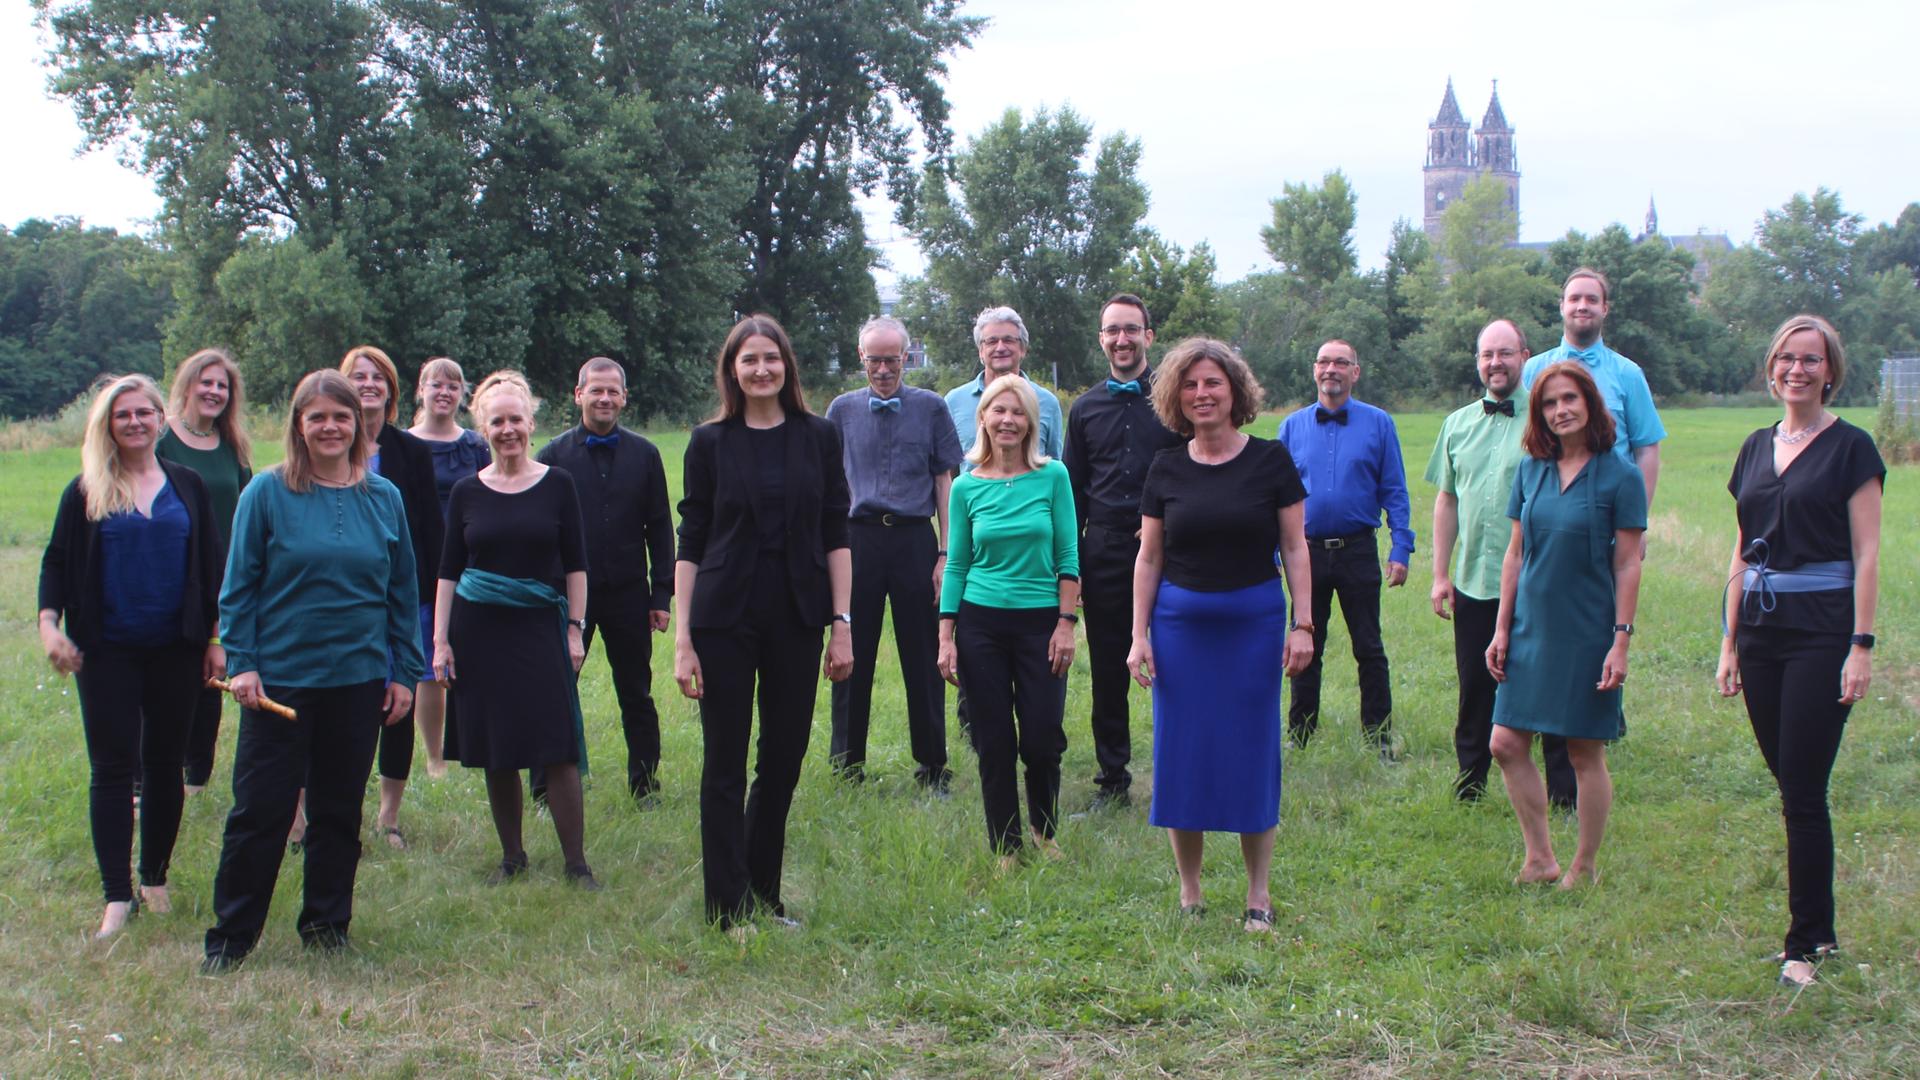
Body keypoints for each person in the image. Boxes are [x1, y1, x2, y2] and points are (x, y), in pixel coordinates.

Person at [203, 370, 424, 971]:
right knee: (260, 812)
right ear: (299, 426)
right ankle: (231, 937)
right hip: (281, 683)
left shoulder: (385, 498)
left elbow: (403, 594)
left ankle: (327, 926)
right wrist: (244, 664)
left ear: (358, 425)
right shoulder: (267, 494)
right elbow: (238, 586)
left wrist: (405, 672)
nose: (330, 427)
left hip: (358, 682)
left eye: (341, 416)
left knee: (337, 811)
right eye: (317, 417)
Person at [1714, 315, 1883, 989]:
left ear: (1830, 370)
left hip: (1822, 630)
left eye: (1810, 360)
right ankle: (1820, 932)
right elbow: (1740, 544)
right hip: (1759, 631)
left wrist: (1861, 646)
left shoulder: (1852, 450)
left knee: (1804, 788)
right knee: (1791, 784)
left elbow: (1869, 552)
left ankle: (1806, 944)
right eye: (1786, 358)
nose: (1797, 370)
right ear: (1771, 367)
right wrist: (1728, 642)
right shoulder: (1755, 447)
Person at [1124, 340, 1313, 933]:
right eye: (1190, 385)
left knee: (1253, 753)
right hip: (1179, 630)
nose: (1202, 394)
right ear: (1176, 396)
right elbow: (1149, 558)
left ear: (1236, 391)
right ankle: (1190, 890)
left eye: (1213, 383)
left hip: (1252, 626)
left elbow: (1294, 547)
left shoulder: (1270, 461)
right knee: (1183, 754)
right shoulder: (1166, 467)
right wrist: (1138, 636)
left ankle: (1258, 894)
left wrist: (1302, 623)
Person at [673, 314, 853, 933]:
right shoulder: (709, 442)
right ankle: (727, 908)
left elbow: (836, 530)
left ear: (787, 367)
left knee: (783, 758)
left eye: (770, 359)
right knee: (724, 762)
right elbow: (691, 539)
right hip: (724, 619)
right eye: (748, 360)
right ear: (732, 370)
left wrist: (843, 622)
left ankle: (763, 895)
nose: (760, 369)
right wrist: (683, 639)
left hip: (798, 618)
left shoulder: (818, 436)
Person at [39, 374, 226, 940]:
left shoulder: (187, 484)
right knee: (114, 770)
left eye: (145, 412)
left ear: (160, 419)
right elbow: (55, 563)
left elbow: (213, 568)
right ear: (108, 425)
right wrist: (50, 627)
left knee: (166, 765)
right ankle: (116, 897)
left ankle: (155, 879)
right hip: (106, 651)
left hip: (177, 649)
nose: (136, 423)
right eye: (124, 415)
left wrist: (216, 640)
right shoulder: (86, 490)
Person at [1485, 361, 1645, 891]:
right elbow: (1515, 554)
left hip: (1587, 631)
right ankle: (1539, 859)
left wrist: (1620, 642)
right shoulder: (1531, 469)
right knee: (1506, 743)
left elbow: (1627, 563)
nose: (1561, 410)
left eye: (1570, 398)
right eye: (1550, 403)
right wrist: (1502, 628)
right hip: (1530, 627)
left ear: (1590, 403)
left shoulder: (1620, 474)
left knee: (1583, 750)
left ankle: (1585, 865)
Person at [436, 371, 598, 889]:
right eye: (497, 421)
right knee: (497, 745)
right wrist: (440, 641)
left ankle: (577, 863)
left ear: (532, 423)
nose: (508, 430)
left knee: (558, 744)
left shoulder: (558, 484)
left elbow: (577, 565)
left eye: (516, 419)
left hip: (538, 628)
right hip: (477, 632)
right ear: (482, 427)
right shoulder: (466, 492)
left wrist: (574, 630)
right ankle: (513, 857)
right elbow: (447, 571)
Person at [1425, 321, 1575, 806]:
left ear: (1525, 356)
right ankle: (1470, 783)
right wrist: (1441, 574)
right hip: (1475, 580)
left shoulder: (1549, 419)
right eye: (1487, 354)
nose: (1496, 363)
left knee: (1549, 684)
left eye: (1505, 353)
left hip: (1541, 582)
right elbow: (1447, 500)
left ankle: (1563, 794)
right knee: (1475, 686)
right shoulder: (1457, 423)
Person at [936, 374, 1079, 869]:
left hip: (1042, 623)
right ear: (983, 419)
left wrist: (1066, 622)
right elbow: (957, 563)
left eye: (1018, 412)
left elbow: (1067, 553)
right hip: (980, 626)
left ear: (1031, 422)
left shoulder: (1053, 476)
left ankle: (1044, 830)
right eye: (998, 411)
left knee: (1041, 737)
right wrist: (946, 635)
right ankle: (1005, 844)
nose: (1008, 420)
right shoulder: (966, 486)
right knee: (993, 739)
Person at [825, 317, 962, 789]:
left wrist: (946, 553)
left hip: (913, 541)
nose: (883, 369)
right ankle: (847, 764)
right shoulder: (841, 411)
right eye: (874, 360)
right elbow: (827, 487)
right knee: (849, 648)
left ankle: (933, 766)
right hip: (857, 541)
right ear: (860, 358)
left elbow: (945, 481)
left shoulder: (932, 408)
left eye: (892, 359)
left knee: (924, 654)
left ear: (906, 357)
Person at [536, 357, 674, 805]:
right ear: (579, 395)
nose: (605, 398)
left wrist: (661, 594)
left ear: (624, 398)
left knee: (636, 692)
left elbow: (659, 527)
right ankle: (544, 789)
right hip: (565, 596)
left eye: (613, 391)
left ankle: (645, 786)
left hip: (628, 594)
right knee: (556, 690)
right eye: (596, 390)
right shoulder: (554, 456)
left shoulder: (646, 455)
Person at [1063, 293, 1183, 812]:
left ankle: (1184, 772)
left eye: (1131, 329)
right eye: (1112, 330)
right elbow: (1073, 495)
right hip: (1106, 553)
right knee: (1111, 671)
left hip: (1174, 550)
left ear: (1148, 337)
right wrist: (1074, 569)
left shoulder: (1176, 400)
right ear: (1101, 339)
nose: (1122, 339)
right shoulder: (1086, 408)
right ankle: (1113, 780)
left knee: (1181, 661)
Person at [1275, 339, 1415, 756]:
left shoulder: (1379, 423)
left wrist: (1401, 547)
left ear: (1356, 371)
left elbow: (1394, 488)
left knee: (1369, 647)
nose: (1331, 369)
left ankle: (1379, 737)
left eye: (1341, 362)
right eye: (1324, 361)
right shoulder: (1292, 427)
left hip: (1357, 550)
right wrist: (1273, 551)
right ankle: (1299, 736)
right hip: (1306, 554)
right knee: (1304, 644)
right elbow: (1275, 497)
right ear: (1314, 369)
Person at [339, 345, 444, 850]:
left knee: (398, 702)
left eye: (378, 376)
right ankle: (331, 811)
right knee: (346, 704)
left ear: (392, 389)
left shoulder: (411, 453)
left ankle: (389, 817)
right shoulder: (329, 443)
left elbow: (430, 529)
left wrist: (434, 598)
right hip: (344, 601)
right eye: (358, 376)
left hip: (405, 599)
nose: (368, 384)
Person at [155, 348, 253, 794]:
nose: (214, 391)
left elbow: (248, 509)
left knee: (213, 671)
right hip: (169, 573)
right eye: (207, 382)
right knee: (167, 673)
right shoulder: (161, 440)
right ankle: (157, 768)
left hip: (224, 575)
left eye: (222, 385)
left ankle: (197, 774)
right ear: (188, 385)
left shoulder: (232, 446)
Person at [1521, 268, 1666, 556]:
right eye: (1574, 299)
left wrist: (1637, 522)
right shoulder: (1533, 371)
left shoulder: (1628, 374)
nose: (1582, 306)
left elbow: (1646, 449)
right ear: (1562, 306)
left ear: (1605, 308)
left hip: (1609, 514)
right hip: (1545, 514)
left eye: (1591, 299)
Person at [407, 355, 489, 778]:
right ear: (421, 390)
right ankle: (435, 756)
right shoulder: (403, 444)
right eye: (436, 384)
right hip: (420, 561)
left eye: (453, 386)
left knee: (472, 651)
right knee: (428, 660)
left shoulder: (475, 445)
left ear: (462, 394)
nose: (444, 392)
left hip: (470, 561)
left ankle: (474, 740)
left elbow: (491, 495)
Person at [944, 306, 1064, 468]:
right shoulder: (954, 402)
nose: (1000, 348)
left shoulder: (1047, 402)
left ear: (1023, 349)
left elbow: (1054, 466)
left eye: (1008, 340)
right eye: (992, 341)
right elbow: (947, 472)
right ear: (981, 350)